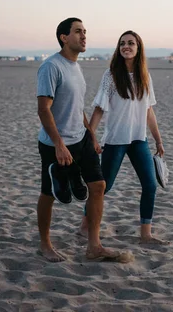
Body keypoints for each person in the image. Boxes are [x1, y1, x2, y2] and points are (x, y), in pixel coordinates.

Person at [36, 17, 121, 263]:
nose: (84, 36)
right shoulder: (51, 67)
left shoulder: (76, 66)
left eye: (85, 32)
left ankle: (94, 245)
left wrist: (91, 135)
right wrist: (60, 145)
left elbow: (77, 107)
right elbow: (44, 110)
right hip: (55, 143)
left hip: (81, 138)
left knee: (98, 186)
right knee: (49, 194)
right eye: (77, 32)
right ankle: (45, 244)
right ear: (64, 37)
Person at [79, 30, 168, 245]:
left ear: (138, 48)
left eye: (130, 43)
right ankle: (84, 226)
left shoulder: (145, 76)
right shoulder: (111, 75)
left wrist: (158, 139)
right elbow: (100, 108)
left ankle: (146, 234)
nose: (126, 47)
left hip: (139, 139)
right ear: (118, 49)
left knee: (150, 185)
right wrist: (91, 136)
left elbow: (148, 110)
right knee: (104, 187)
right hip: (116, 140)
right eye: (122, 44)